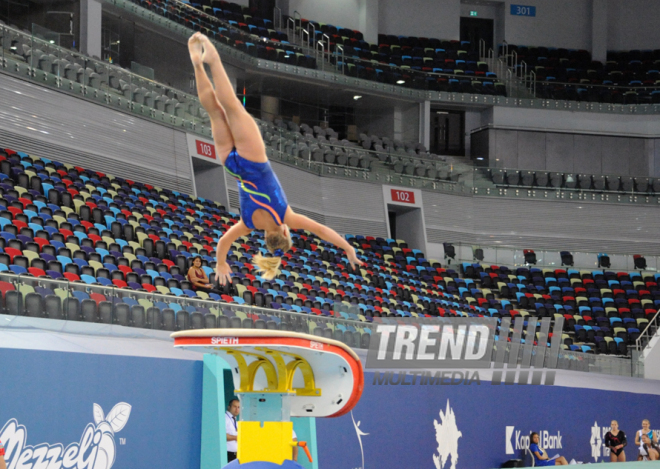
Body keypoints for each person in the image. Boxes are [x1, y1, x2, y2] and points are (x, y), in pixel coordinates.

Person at [187, 32, 364, 283]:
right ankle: (196, 63)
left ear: (284, 231)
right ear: (267, 238)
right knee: (214, 112)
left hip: (254, 160)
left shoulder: (286, 217)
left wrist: (348, 248)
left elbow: (322, 230)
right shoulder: (248, 224)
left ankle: (213, 59)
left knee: (232, 106)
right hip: (233, 166)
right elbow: (224, 242)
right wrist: (220, 262)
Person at [225, 398, 240, 462]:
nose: (237, 409)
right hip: (228, 455)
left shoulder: (235, 420)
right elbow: (222, 436)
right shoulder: (225, 418)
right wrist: (236, 438)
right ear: (229, 407)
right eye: (234, 407)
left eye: (238, 407)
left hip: (236, 455)